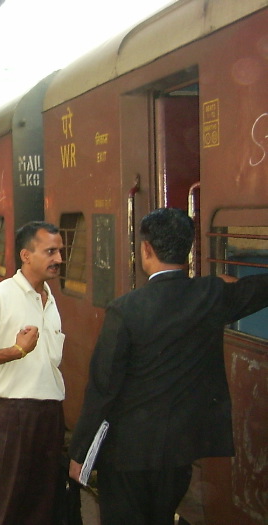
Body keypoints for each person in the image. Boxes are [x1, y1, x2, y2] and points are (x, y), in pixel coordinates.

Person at [68, 208, 268, 525]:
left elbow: (102, 388)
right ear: (187, 250)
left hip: (128, 454)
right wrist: (217, 283)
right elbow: (258, 289)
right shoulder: (211, 295)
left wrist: (80, 452)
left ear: (146, 249)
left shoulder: (125, 310)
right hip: (179, 453)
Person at [0, 221, 66, 525]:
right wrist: (15, 351)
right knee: (0, 506)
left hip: (50, 415)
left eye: (59, 251)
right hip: (14, 416)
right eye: (50, 251)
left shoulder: (49, 298)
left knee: (42, 507)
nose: (58, 258)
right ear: (26, 255)